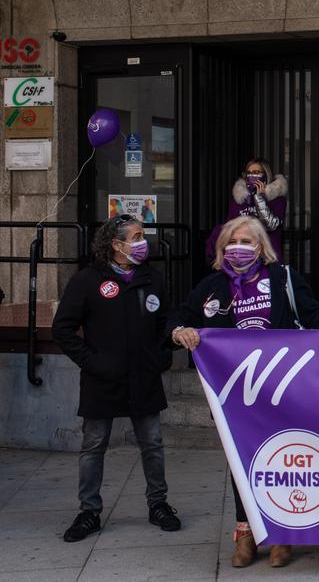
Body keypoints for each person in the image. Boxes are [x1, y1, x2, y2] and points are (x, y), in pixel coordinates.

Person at [169, 216, 319, 568]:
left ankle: (283, 533)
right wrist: (180, 330)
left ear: (260, 247)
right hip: (233, 393)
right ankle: (247, 534)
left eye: (246, 241)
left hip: (282, 388)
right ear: (223, 249)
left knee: (282, 460)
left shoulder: (282, 278)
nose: (239, 247)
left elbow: (311, 310)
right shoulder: (212, 286)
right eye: (232, 242)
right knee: (243, 464)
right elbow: (179, 315)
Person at [52, 215, 181, 542]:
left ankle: (159, 504)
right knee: (93, 445)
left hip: (144, 377)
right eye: (136, 236)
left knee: (152, 443)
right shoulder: (88, 280)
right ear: (116, 244)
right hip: (102, 380)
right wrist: (92, 362)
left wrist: (161, 358)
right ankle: (89, 511)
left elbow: (166, 323)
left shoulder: (153, 278)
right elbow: (63, 330)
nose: (143, 242)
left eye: (142, 236)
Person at [205, 158, 288, 261]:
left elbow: (271, 225)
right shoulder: (239, 200)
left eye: (256, 172)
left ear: (266, 175)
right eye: (249, 173)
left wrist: (260, 198)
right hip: (242, 256)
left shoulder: (278, 199)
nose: (251, 176)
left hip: (268, 256)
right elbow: (230, 228)